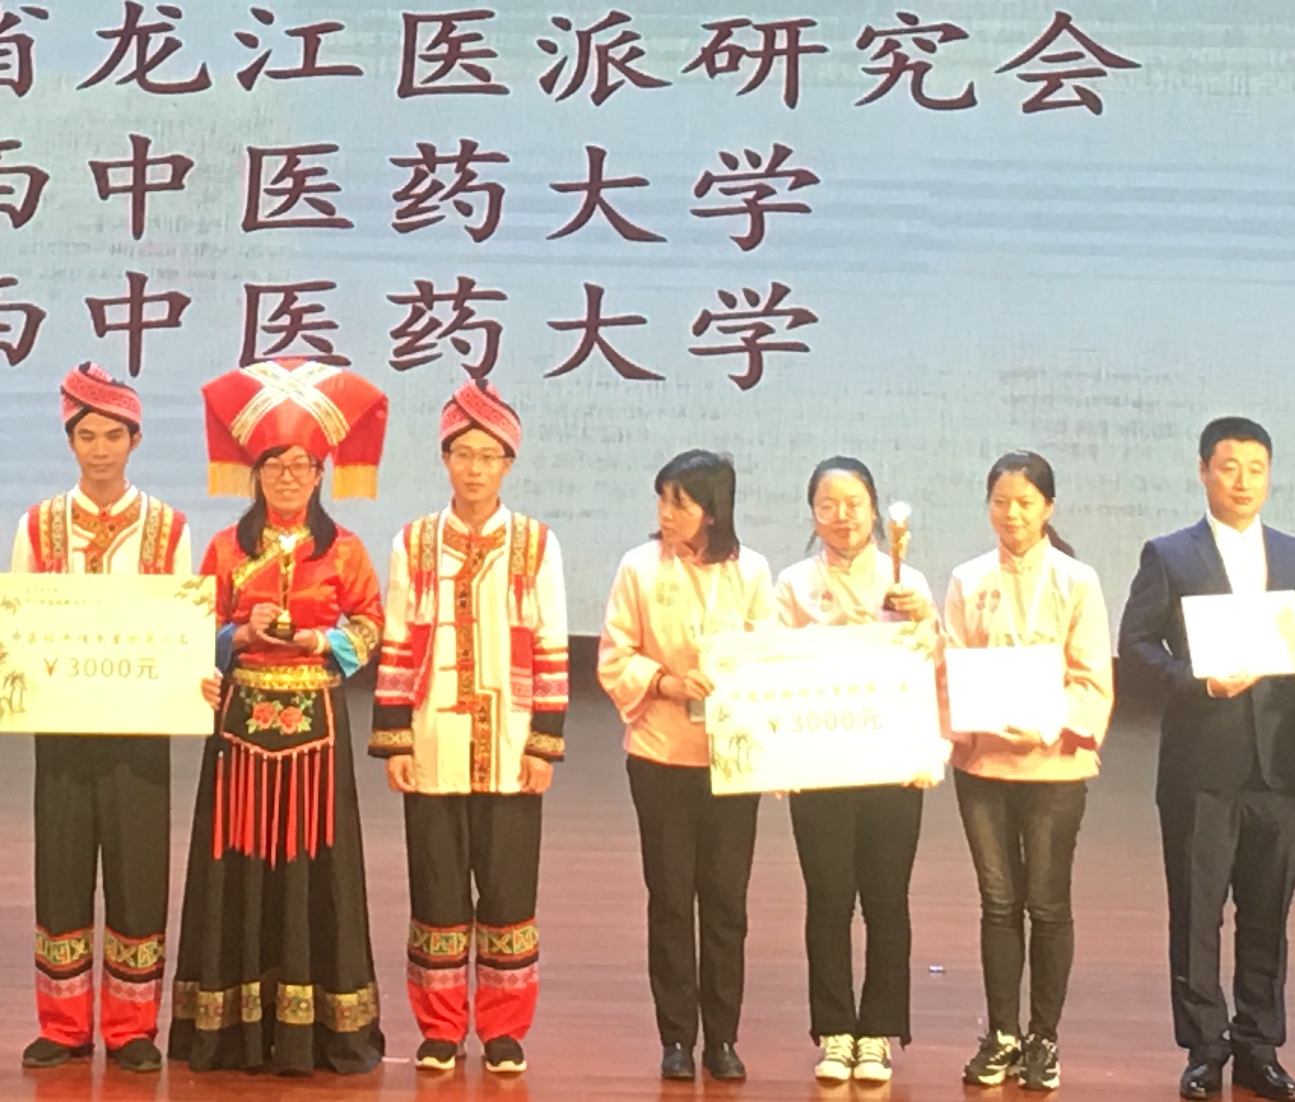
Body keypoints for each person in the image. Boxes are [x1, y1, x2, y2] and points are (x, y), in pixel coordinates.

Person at [173, 358, 392, 1076]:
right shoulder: (226, 548)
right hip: (239, 729)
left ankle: (318, 1029)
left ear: (321, 473)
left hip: (315, 733)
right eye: (275, 465)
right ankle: (230, 1028)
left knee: (312, 865)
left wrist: (317, 642)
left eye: (302, 466)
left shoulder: (346, 550)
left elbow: (370, 627)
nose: (289, 477)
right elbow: (192, 630)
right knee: (236, 866)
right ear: (255, 473)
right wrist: (240, 634)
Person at [1117, 415, 1295, 1102]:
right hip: (1200, 768)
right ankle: (1204, 1050)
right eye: (1229, 466)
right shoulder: (1170, 554)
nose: (1243, 481)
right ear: (1203, 471)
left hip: (1279, 768)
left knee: (1268, 914)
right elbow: (1137, 647)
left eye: (1256, 468)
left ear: (1269, 476)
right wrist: (1198, 680)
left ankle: (1258, 1047)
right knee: (1197, 914)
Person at [369, 374, 569, 1075]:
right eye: (464, 455)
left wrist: (544, 743)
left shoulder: (536, 543)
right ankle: (440, 1026)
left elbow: (551, 645)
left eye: (489, 456)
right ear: (445, 460)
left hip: (511, 746)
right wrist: (395, 738)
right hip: (433, 740)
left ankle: (505, 1029)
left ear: (508, 464)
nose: (476, 469)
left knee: (509, 891)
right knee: (436, 889)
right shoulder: (415, 541)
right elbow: (397, 641)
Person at [4, 364, 198, 1074]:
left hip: (141, 728)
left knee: (138, 872)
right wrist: (0, 658)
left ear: (135, 440)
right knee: (60, 869)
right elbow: (17, 621)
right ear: (70, 442)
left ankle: (132, 1026)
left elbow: (182, 630)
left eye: (114, 435)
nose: (100, 450)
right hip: (61, 727)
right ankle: (62, 1023)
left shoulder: (169, 528)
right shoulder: (38, 525)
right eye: (87, 436)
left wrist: (194, 675)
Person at [942, 452, 1118, 1098]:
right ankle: (1002, 1033)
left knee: (1045, 902)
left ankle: (1043, 1036)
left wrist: (1044, 726)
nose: (1011, 514)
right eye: (1000, 502)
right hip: (984, 764)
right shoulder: (967, 579)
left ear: (1048, 507)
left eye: (1024, 503)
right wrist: (969, 724)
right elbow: (949, 669)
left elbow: (1092, 679)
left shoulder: (1078, 581)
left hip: (1053, 765)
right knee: (996, 903)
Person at [605, 448, 781, 1085]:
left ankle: (723, 1038)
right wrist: (666, 683)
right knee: (671, 900)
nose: (666, 513)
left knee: (727, 902)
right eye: (662, 500)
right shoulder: (638, 567)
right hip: (660, 755)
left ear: (713, 510)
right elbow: (614, 655)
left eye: (679, 503)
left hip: (731, 761)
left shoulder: (752, 571)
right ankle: (676, 1037)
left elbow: (769, 658)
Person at [774, 458, 940, 1089]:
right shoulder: (793, 585)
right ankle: (835, 1028)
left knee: (887, 900)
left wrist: (922, 623)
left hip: (891, 764)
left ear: (875, 509)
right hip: (820, 765)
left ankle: (879, 1031)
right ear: (812, 513)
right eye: (828, 505)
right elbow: (771, 669)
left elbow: (934, 667)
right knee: (827, 900)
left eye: (854, 504)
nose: (842, 517)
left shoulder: (907, 581)